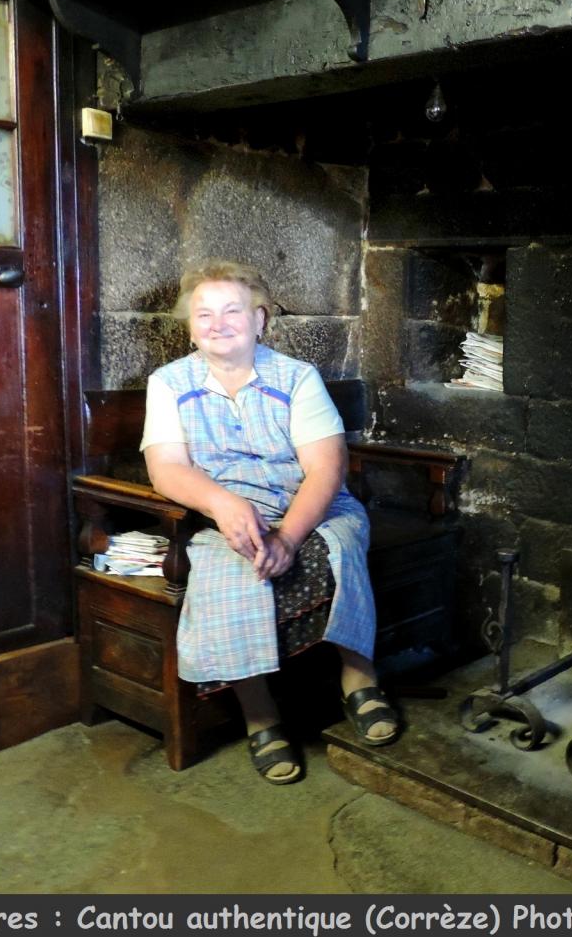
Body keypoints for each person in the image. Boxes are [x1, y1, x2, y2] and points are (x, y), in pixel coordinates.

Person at [141, 259, 399, 784]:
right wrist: (222, 504)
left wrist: (289, 535)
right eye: (204, 314)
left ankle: (357, 675)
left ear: (260, 319)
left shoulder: (296, 378)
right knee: (226, 573)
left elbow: (327, 467)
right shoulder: (168, 384)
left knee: (335, 550)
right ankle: (260, 715)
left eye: (232, 310)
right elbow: (166, 467)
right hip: (223, 515)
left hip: (310, 505)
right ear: (191, 326)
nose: (218, 323)